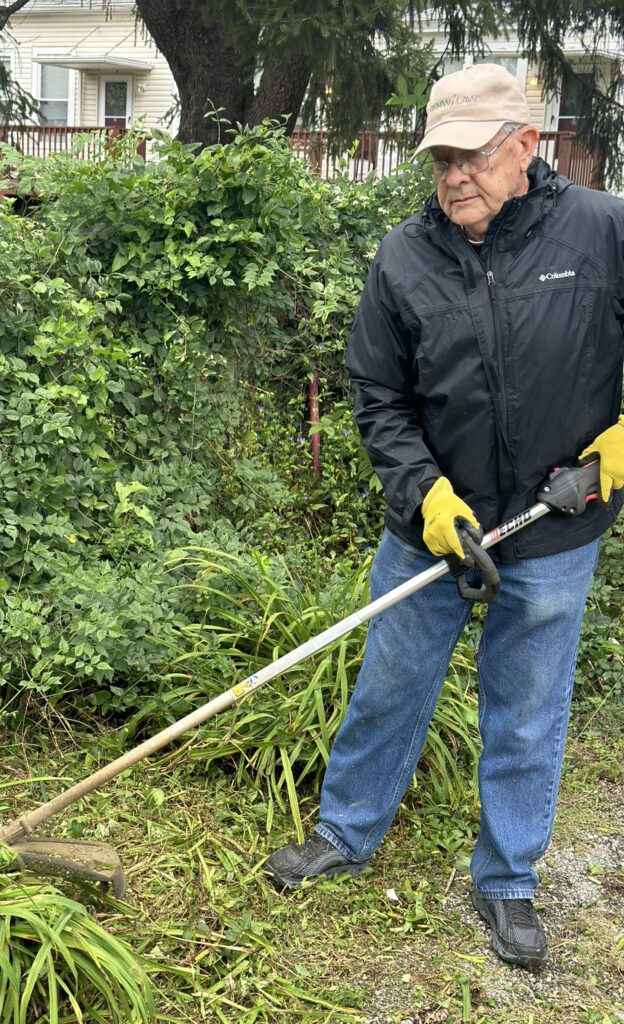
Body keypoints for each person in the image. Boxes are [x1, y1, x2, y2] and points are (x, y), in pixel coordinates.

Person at [264, 63, 624, 969]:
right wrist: (426, 498)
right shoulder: (404, 255)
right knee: (390, 682)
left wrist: (613, 456)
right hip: (432, 532)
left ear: (524, 149)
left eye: (470, 156)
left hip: (553, 531)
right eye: (440, 159)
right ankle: (346, 834)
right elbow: (378, 393)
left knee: (528, 708)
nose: (453, 175)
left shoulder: (603, 230)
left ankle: (507, 882)